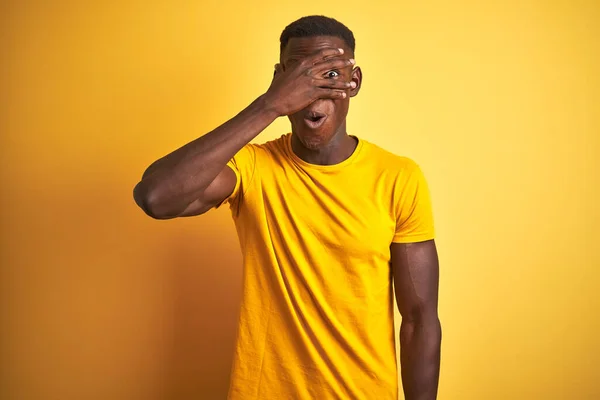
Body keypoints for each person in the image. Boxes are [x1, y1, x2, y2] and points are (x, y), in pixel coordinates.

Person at [133, 15, 441, 400]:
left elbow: (419, 319)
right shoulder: (252, 169)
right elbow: (156, 197)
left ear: (354, 82)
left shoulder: (398, 177)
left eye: (329, 74)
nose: (312, 92)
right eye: (299, 76)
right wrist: (269, 105)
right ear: (280, 79)